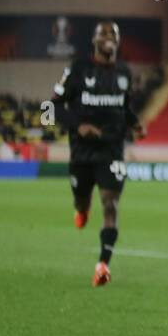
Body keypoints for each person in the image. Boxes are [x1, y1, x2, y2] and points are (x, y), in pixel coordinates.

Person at [53, 21, 145, 286]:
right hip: (81, 154)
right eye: (103, 33)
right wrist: (77, 125)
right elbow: (52, 108)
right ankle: (81, 209)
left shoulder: (125, 73)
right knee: (82, 201)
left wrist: (135, 123)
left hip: (112, 151)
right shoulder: (77, 70)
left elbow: (124, 108)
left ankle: (103, 264)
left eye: (113, 34)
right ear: (94, 40)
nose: (109, 37)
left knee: (111, 202)